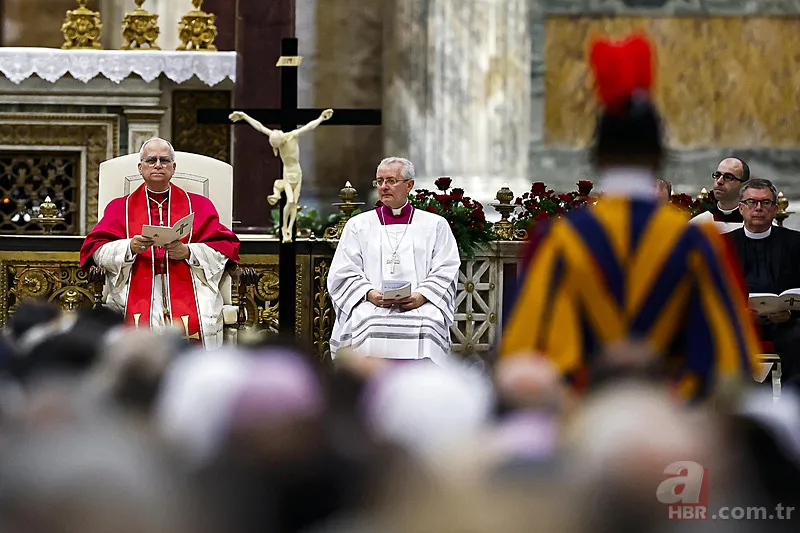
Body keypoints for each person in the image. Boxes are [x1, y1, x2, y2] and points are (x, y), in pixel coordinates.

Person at [500, 34, 759, 400]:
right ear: (659, 157)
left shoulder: (561, 240)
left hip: (584, 422)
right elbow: (731, 364)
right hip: (672, 421)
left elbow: (521, 360)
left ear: (597, 157)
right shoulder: (695, 242)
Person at [80, 138, 240, 349]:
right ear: (140, 167)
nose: (158, 165)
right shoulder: (120, 207)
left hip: (189, 283)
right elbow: (96, 250)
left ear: (173, 168)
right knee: (137, 323)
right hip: (135, 283)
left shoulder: (199, 205)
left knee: (193, 322)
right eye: (151, 160)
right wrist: (129, 247)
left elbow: (225, 247)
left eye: (164, 160)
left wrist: (188, 251)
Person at [327, 157, 461, 365]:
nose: (384, 187)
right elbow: (344, 270)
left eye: (391, 180)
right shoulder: (358, 225)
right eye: (379, 181)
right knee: (369, 323)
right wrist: (370, 294)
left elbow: (446, 268)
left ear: (409, 185)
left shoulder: (434, 225)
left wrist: (421, 296)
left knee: (428, 324)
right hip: (372, 304)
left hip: (420, 304)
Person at [726, 178, 800, 381]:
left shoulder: (795, 243)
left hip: (784, 323)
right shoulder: (724, 244)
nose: (758, 208)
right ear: (741, 208)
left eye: (765, 202)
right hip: (739, 323)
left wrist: (790, 313)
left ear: (775, 209)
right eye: (751, 202)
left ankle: (790, 407)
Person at [228, 109, 333, 243]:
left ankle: (289, 229)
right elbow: (259, 126)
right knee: (289, 201)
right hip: (287, 173)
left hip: (297, 172)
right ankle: (284, 228)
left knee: (294, 203)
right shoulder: (273, 136)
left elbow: (308, 127)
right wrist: (244, 116)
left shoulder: (292, 136)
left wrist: (321, 118)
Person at [690, 157, 750, 233]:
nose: (719, 181)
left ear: (743, 185)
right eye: (717, 175)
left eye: (728, 177)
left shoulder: (758, 224)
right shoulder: (698, 224)